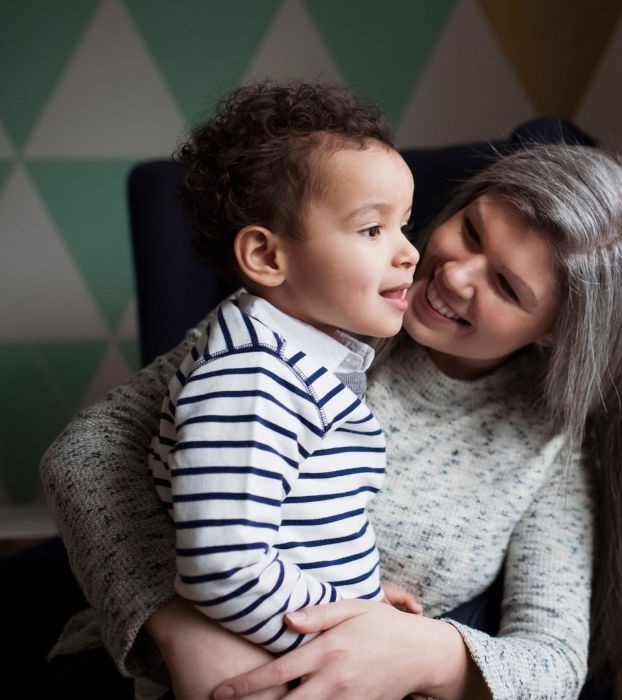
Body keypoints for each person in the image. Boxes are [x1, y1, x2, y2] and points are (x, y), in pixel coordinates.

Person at [40, 130, 622, 700]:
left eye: (508, 287)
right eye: (471, 230)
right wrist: (179, 623)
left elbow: (555, 662)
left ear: (556, 331)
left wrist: (426, 653)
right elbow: (85, 453)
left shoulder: (546, 444)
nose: (455, 274)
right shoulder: (310, 313)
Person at [144, 78, 420, 687]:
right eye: (372, 230)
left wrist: (366, 598)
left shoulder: (302, 360)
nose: (408, 253)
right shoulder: (254, 379)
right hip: (272, 673)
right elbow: (224, 566)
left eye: (405, 224)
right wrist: (353, 631)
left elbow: (297, 533)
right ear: (268, 258)